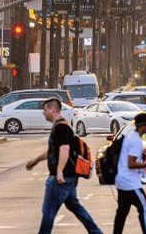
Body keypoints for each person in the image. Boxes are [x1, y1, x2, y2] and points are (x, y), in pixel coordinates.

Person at [25, 98, 103, 234]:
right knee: (75, 207)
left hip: (61, 178)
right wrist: (36, 160)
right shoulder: (62, 127)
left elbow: (64, 149)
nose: (43, 114)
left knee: (49, 211)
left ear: (52, 110)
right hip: (70, 176)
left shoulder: (61, 127)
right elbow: (53, 151)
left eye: (45, 110)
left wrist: (59, 171)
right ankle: (96, 232)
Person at [113, 112, 146, 234]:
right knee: (145, 208)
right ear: (144, 125)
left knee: (122, 212)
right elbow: (131, 164)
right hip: (130, 183)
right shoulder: (136, 141)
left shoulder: (131, 136)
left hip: (121, 180)